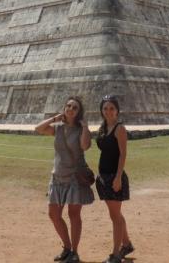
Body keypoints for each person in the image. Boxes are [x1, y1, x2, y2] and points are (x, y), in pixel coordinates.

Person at [35, 96, 94, 263]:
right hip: (58, 176)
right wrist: (55, 118)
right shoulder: (58, 128)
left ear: (79, 112)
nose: (70, 109)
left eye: (74, 108)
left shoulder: (82, 130)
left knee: (73, 214)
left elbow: (84, 146)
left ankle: (74, 252)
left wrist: (85, 128)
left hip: (75, 177)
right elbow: (38, 128)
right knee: (53, 214)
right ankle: (67, 248)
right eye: (68, 106)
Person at [95, 95, 134, 263]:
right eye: (105, 108)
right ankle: (126, 244)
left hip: (114, 177)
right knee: (115, 215)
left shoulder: (119, 129)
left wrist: (118, 177)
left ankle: (116, 254)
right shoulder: (103, 128)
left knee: (115, 216)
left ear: (117, 110)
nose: (108, 111)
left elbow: (123, 154)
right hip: (104, 177)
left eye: (111, 108)